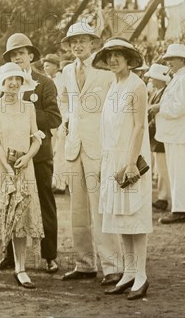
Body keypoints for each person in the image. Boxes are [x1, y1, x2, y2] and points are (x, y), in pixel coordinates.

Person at [60, 22, 123, 285]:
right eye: (73, 41)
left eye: (83, 41)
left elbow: (117, 108)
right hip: (75, 146)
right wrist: (67, 119)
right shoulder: (66, 71)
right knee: (78, 211)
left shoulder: (106, 73)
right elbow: (64, 98)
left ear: (93, 44)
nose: (77, 46)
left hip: (99, 147)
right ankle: (84, 264)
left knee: (101, 209)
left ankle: (112, 267)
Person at [92, 38, 152, 300]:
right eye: (109, 56)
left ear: (129, 59)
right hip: (112, 159)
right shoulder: (113, 85)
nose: (113, 59)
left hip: (131, 159)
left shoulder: (137, 86)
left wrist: (130, 163)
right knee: (121, 219)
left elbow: (139, 126)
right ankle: (128, 272)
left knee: (135, 218)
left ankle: (141, 275)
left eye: (119, 55)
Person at [0, 33, 61, 274]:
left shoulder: (44, 82)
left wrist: (28, 114)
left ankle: (49, 256)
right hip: (12, 156)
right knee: (11, 203)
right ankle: (10, 256)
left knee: (45, 203)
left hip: (40, 154)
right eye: (14, 55)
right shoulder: (6, 83)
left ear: (31, 56)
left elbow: (55, 117)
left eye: (22, 54)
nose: (18, 59)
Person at [0, 62, 45, 291]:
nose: (13, 83)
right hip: (1, 168)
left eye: (18, 79)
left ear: (22, 83)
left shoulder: (28, 107)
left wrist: (28, 157)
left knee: (21, 218)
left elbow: (36, 138)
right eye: (10, 79)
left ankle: (21, 268)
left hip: (24, 166)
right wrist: (7, 168)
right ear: (2, 82)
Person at [152, 44, 185, 224]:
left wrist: (159, 107)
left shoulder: (184, 79)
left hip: (178, 134)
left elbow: (180, 107)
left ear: (181, 60)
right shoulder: (178, 78)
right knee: (176, 171)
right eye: (168, 59)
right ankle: (182, 207)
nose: (168, 62)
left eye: (171, 59)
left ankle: (181, 209)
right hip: (173, 134)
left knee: (178, 171)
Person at [145, 64, 172, 212]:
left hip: (161, 135)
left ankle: (164, 198)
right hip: (156, 135)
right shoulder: (158, 92)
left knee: (163, 169)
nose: (150, 79)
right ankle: (163, 196)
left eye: (152, 77)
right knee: (161, 168)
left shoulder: (165, 93)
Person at [42, 54, 69, 194]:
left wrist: (66, 120)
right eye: (44, 65)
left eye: (48, 65)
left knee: (61, 151)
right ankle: (55, 181)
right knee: (53, 151)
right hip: (53, 119)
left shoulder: (63, 79)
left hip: (64, 117)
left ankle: (60, 184)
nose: (45, 67)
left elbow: (68, 99)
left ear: (55, 66)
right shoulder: (48, 80)